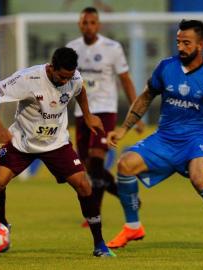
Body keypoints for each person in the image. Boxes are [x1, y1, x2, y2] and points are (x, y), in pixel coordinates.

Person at [106, 20, 203, 252]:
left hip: (196, 140)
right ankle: (133, 226)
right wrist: (124, 128)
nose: (180, 47)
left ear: (201, 45)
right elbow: (146, 96)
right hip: (165, 138)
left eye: (186, 43)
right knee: (125, 164)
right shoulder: (166, 67)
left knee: (200, 179)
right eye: (178, 41)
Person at [0, 47, 115, 257]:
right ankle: (2, 225)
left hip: (56, 144)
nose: (65, 82)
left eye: (69, 77)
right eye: (61, 77)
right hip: (22, 142)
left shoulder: (74, 78)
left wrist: (88, 115)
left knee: (84, 185)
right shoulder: (28, 79)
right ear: (52, 67)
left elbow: (80, 90)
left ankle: (100, 244)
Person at [66, 6, 144, 227]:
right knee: (89, 165)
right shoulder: (72, 48)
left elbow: (126, 80)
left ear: (98, 25)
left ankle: (94, 212)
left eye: (92, 22)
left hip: (106, 110)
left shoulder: (112, 48)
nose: (88, 26)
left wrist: (136, 114)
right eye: (84, 22)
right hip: (83, 112)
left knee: (97, 159)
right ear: (79, 24)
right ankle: (127, 197)